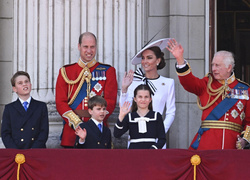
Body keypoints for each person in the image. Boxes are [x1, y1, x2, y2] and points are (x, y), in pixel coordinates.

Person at [167, 38, 250, 150]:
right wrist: (180, 59)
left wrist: (244, 141)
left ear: (229, 67)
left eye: (217, 65)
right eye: (213, 65)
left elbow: (248, 121)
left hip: (232, 146)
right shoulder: (206, 84)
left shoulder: (244, 89)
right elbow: (189, 82)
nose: (213, 69)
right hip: (207, 144)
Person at [56, 32, 117, 148]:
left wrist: (92, 125)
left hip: (98, 133)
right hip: (72, 132)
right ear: (79, 46)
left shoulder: (108, 71)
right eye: (85, 47)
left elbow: (110, 101)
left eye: (92, 47)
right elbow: (60, 102)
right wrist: (77, 124)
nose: (89, 51)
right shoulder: (66, 72)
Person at [120, 39, 176, 148]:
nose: (145, 61)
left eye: (149, 58)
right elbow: (124, 109)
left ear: (158, 60)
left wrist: (160, 132)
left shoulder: (168, 83)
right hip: (136, 138)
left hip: (157, 140)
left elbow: (171, 112)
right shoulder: (134, 81)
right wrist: (124, 89)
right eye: (143, 58)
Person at [1, 71, 49, 149]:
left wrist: (33, 151)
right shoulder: (9, 108)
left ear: (30, 85)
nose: (24, 84)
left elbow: (44, 132)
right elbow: (5, 134)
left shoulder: (41, 106)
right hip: (16, 153)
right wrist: (16, 151)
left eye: (26, 81)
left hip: (36, 151)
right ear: (14, 88)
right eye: (20, 83)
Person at [114, 84, 166, 149]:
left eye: (146, 97)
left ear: (150, 99)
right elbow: (117, 134)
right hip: (134, 154)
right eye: (140, 97)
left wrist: (153, 149)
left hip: (151, 154)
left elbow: (162, 139)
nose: (143, 99)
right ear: (135, 99)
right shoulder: (130, 117)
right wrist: (121, 116)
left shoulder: (156, 116)